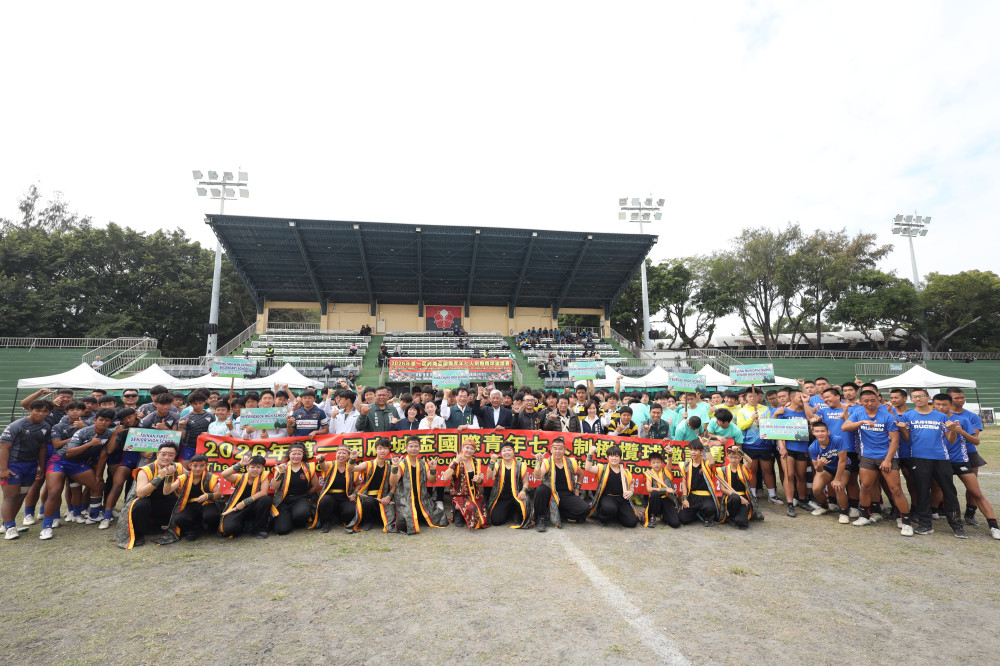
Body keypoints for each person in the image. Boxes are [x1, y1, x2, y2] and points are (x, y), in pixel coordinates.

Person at [841, 390, 912, 535]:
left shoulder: (886, 416)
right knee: (866, 486)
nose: (870, 404)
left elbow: (895, 440)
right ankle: (865, 515)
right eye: (866, 401)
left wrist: (887, 460)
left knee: (895, 489)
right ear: (861, 401)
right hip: (867, 457)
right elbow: (845, 426)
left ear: (878, 400)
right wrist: (861, 422)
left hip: (886, 457)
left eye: (873, 400)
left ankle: (905, 521)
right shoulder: (859, 413)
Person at [895, 390, 965, 537]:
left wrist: (953, 431)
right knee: (922, 491)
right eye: (915, 396)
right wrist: (902, 430)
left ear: (928, 398)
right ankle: (925, 525)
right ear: (911, 399)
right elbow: (907, 439)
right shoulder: (908, 415)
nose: (918, 398)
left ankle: (957, 526)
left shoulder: (941, 416)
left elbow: (951, 440)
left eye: (921, 396)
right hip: (919, 458)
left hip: (941, 458)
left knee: (949, 491)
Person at [115, 442, 184, 549]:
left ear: (175, 456)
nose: (166, 457)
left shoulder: (177, 467)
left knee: (182, 501)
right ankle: (138, 534)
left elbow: (191, 476)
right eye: (163, 454)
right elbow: (141, 493)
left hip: (164, 504)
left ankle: (161, 526)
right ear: (157, 455)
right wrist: (160, 476)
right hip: (145, 505)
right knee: (142, 503)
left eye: (171, 455)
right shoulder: (146, 470)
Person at [1, 400, 52, 540]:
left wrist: (41, 465)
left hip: (30, 465)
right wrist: (3, 469)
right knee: (10, 496)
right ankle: (10, 528)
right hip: (13, 465)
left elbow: (42, 447)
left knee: (21, 495)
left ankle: (7, 523)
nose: (41, 414)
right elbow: (4, 447)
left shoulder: (46, 426)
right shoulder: (17, 425)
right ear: (30, 410)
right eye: (38, 410)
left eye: (45, 411)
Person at [389, 435, 449, 534]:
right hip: (406, 500)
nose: (413, 449)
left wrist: (433, 469)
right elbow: (392, 482)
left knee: (439, 515)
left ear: (420, 448)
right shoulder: (402, 463)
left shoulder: (423, 463)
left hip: (423, 499)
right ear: (406, 448)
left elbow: (432, 480)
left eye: (416, 446)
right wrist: (395, 467)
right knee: (407, 520)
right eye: (411, 446)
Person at [946, 388, 987, 525]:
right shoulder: (943, 415)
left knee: (972, 486)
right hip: (948, 453)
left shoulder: (972, 416)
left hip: (969, 453)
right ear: (949, 399)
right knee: (941, 484)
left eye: (962, 397)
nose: (961, 400)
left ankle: (970, 512)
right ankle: (939, 509)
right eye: (957, 398)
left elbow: (973, 437)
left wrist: (960, 430)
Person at [736, 388, 781, 506]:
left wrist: (761, 423)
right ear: (746, 398)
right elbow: (740, 426)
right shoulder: (742, 411)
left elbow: (772, 426)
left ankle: (772, 495)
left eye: (754, 396)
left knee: (768, 470)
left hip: (765, 445)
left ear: (759, 397)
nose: (752, 398)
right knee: (752, 471)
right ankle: (753, 495)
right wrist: (751, 419)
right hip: (749, 445)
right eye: (750, 396)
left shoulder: (766, 410)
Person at [532, 437, 588, 532]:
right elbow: (537, 476)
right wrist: (538, 462)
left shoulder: (571, 462)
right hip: (550, 493)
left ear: (565, 450)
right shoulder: (547, 462)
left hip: (566, 494)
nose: (557, 451)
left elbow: (581, 474)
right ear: (551, 449)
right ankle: (540, 519)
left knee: (585, 509)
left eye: (560, 449)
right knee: (541, 489)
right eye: (555, 448)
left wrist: (577, 489)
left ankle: (561, 514)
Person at [163, 454, 223, 542]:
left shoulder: (210, 477)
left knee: (211, 516)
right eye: (195, 466)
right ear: (190, 466)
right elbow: (166, 491)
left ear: (206, 466)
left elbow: (218, 494)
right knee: (179, 519)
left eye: (202, 466)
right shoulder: (183, 477)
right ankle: (193, 530)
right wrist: (168, 477)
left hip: (208, 503)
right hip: (191, 504)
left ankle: (212, 528)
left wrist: (208, 496)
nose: (198, 468)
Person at [346, 437, 397, 533]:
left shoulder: (390, 466)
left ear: (388, 450)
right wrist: (352, 458)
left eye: (385, 448)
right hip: (368, 496)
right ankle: (368, 521)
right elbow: (351, 469)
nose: (383, 451)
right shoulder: (368, 464)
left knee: (394, 507)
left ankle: (379, 519)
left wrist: (388, 497)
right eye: (380, 448)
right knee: (368, 502)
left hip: (384, 497)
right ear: (375, 450)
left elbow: (394, 484)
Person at [219, 454, 276, 539]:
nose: (255, 470)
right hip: (237, 507)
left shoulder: (263, 476)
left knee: (266, 500)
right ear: (247, 467)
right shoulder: (239, 477)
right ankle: (243, 525)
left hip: (254, 506)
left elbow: (264, 492)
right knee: (228, 530)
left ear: (262, 468)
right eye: (252, 467)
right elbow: (224, 474)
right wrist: (240, 464)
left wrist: (244, 502)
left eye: (258, 467)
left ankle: (259, 529)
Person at [269, 442, 320, 536]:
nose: (296, 456)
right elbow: (274, 487)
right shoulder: (281, 467)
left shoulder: (309, 467)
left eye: (299, 454)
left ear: (303, 455)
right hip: (283, 500)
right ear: (289, 454)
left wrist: (306, 496)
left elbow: (316, 486)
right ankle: (286, 520)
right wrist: (281, 473)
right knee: (281, 530)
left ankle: (296, 517)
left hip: (301, 498)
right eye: (294, 454)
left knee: (301, 515)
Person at [584, 444, 639, 527]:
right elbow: (588, 468)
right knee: (610, 508)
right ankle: (601, 518)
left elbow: (631, 486)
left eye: (616, 456)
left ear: (620, 458)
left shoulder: (626, 472)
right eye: (611, 456)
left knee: (632, 522)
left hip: (622, 498)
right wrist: (591, 453)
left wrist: (631, 492)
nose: (614, 458)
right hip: (607, 497)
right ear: (607, 458)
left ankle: (617, 515)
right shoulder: (602, 468)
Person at [807, 421, 849, 523]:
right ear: (813, 433)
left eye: (823, 431)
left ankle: (844, 512)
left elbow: (843, 460)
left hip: (844, 466)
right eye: (817, 431)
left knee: (838, 487)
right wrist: (820, 465)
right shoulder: (812, 447)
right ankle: (824, 506)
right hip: (827, 467)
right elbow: (818, 469)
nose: (820, 434)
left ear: (828, 432)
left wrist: (837, 479)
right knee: (816, 489)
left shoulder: (837, 440)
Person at [312, 444, 359, 533]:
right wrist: (321, 460)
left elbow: (358, 485)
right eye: (339, 453)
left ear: (348, 456)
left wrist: (354, 493)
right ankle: (326, 522)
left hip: (345, 496)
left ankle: (339, 518)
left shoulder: (351, 467)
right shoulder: (330, 464)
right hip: (330, 495)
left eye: (344, 453)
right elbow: (323, 466)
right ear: (335, 454)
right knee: (325, 501)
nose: (341, 455)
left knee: (351, 511)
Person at [441, 442, 488, 530]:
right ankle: (458, 513)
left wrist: (479, 479)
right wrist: (456, 461)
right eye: (467, 447)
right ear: (462, 448)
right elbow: (445, 477)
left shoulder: (476, 461)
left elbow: (481, 480)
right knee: (472, 508)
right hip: (459, 494)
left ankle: (463, 513)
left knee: (484, 519)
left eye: (472, 448)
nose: (469, 450)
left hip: (474, 494)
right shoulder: (456, 461)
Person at [485, 443, 532, 528]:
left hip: (517, 495)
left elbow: (526, 482)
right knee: (496, 521)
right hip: (501, 497)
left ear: (513, 452)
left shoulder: (520, 465)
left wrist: (523, 491)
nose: (507, 452)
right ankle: (509, 512)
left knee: (524, 517)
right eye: (504, 451)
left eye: (509, 450)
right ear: (501, 453)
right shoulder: (497, 464)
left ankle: (515, 512)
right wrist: (492, 461)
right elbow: (489, 476)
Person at [678, 440, 722, 526]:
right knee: (683, 519)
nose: (693, 452)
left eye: (696, 450)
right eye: (691, 450)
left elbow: (712, 462)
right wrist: (685, 499)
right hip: (692, 497)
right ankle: (698, 513)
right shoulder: (686, 465)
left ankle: (706, 516)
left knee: (709, 508)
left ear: (701, 451)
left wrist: (705, 445)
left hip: (706, 497)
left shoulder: (706, 463)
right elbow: (684, 483)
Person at [717, 445, 756, 529]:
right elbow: (723, 489)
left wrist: (739, 451)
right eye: (730, 457)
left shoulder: (743, 468)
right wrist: (739, 497)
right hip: (731, 497)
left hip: (744, 497)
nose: (733, 460)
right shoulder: (722, 470)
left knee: (741, 522)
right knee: (735, 498)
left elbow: (750, 461)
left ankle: (737, 517)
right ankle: (731, 516)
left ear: (740, 458)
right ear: (727, 457)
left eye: (735, 457)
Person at [642, 450, 680, 528]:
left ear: (662, 463)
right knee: (654, 493)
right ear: (650, 464)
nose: (656, 464)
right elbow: (649, 489)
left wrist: (670, 453)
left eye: (658, 462)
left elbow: (669, 463)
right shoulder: (649, 473)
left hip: (667, 499)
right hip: (656, 500)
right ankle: (653, 516)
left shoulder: (666, 471)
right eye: (654, 462)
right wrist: (665, 490)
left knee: (675, 523)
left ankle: (664, 516)